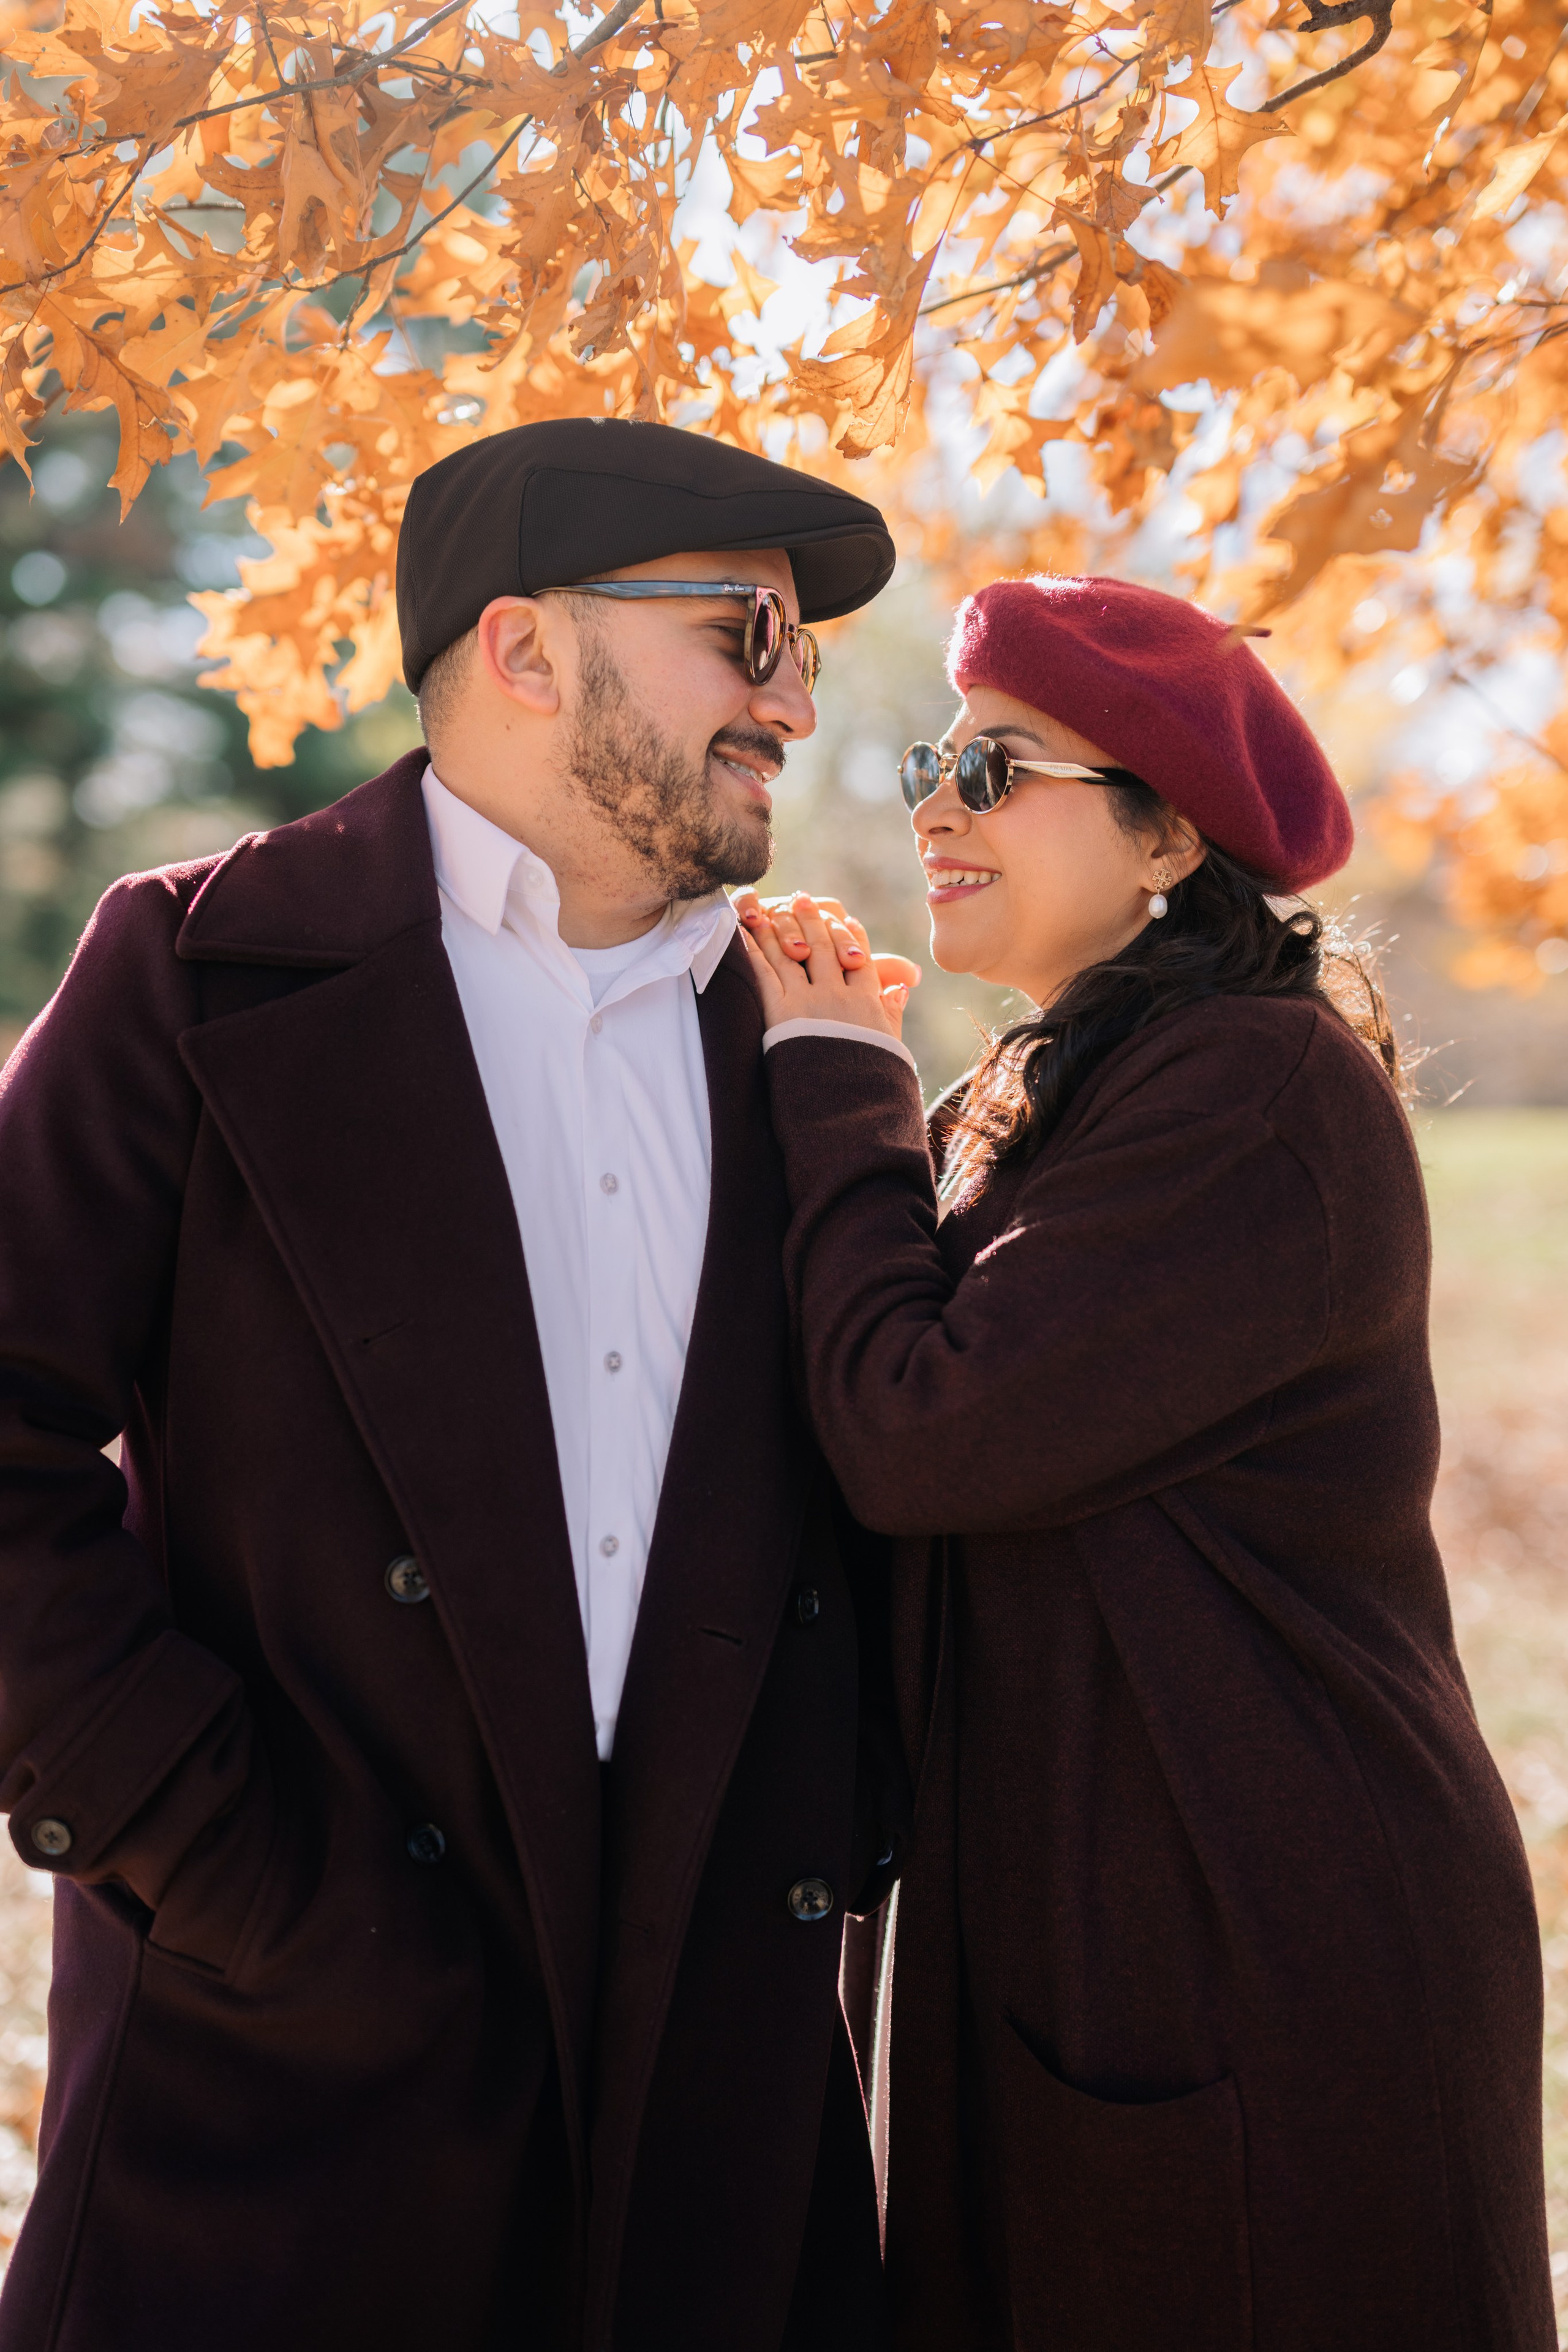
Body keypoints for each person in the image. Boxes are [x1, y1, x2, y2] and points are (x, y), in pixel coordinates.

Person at [0, 417, 913, 2352]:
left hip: (715, 2140)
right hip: (274, 2107)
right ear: (521, 649)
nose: (797, 697)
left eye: (806, 649)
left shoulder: (807, 1033)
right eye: (749, 630)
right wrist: (210, 1850)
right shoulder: (195, 966)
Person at [737, 574, 1555, 2351]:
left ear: (1168, 834)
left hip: (1252, 1933)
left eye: (998, 764)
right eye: (935, 757)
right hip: (1096, 1912)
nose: (935, 798)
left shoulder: (1257, 1091)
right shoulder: (1059, 1090)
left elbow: (921, 1428)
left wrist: (833, 1086)